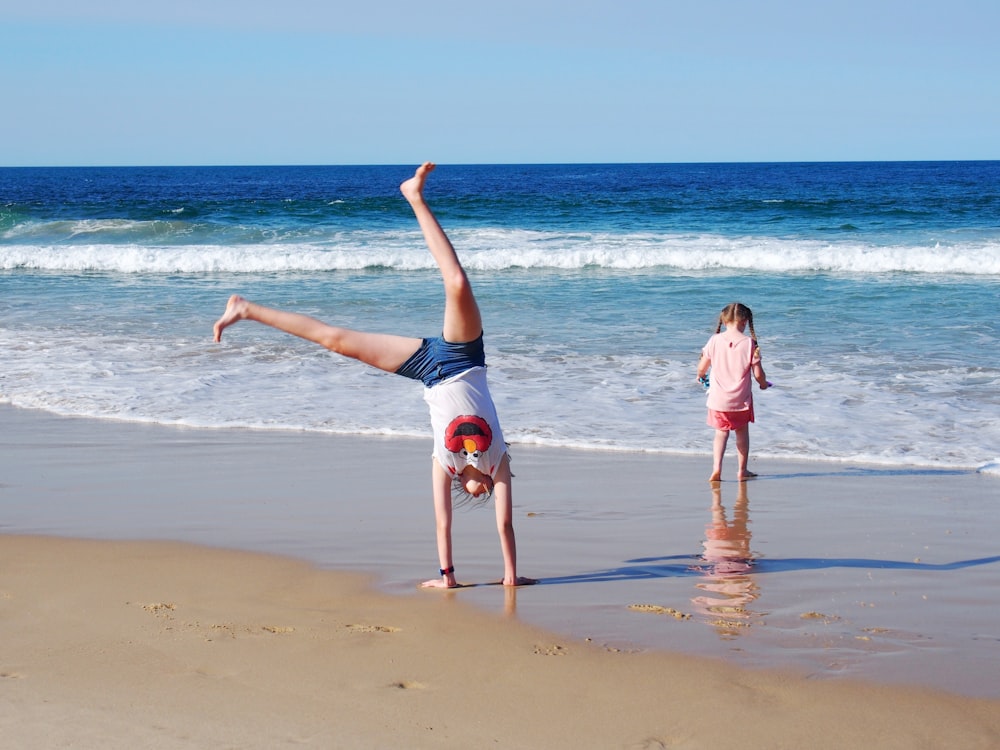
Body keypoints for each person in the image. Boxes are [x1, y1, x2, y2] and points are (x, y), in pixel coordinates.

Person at [213, 162, 533, 589]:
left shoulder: (444, 464)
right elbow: (506, 525)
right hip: (463, 355)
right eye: (491, 493)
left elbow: (442, 524)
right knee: (456, 283)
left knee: (335, 340)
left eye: (484, 495)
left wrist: (447, 578)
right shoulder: (500, 461)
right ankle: (414, 195)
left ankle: (246, 308)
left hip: (429, 371)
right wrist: (511, 578)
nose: (487, 494)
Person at [695, 302, 769, 482]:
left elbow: (702, 368)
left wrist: (701, 375)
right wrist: (763, 384)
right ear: (744, 322)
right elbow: (758, 374)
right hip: (741, 401)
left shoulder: (714, 340)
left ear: (724, 320)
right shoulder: (750, 343)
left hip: (718, 400)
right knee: (742, 433)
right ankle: (742, 470)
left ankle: (717, 470)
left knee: (721, 433)